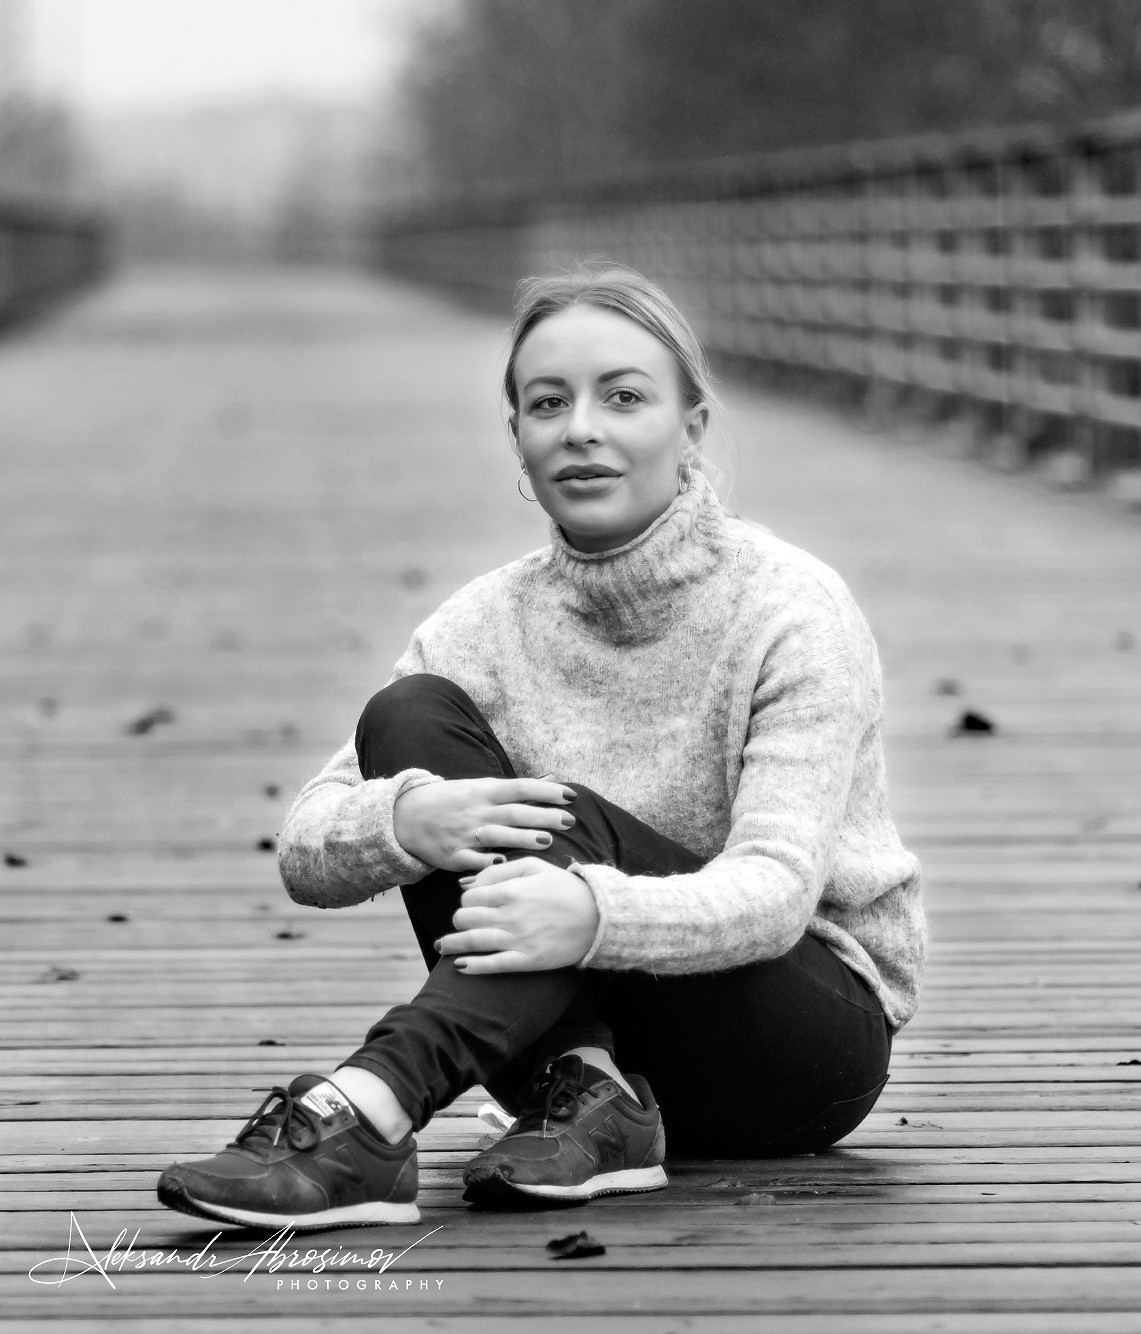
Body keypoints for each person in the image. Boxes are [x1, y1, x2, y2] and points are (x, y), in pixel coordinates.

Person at [155, 264, 926, 1232]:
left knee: (568, 816)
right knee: (409, 719)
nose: (580, 429)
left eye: (624, 397)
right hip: (577, 1044)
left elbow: (774, 894)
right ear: (516, 439)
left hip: (792, 1043)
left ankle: (373, 1103)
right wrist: (405, 819)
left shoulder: (787, 609)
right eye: (546, 403)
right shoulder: (484, 622)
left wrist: (590, 913)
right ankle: (592, 1094)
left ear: (691, 427)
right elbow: (305, 846)